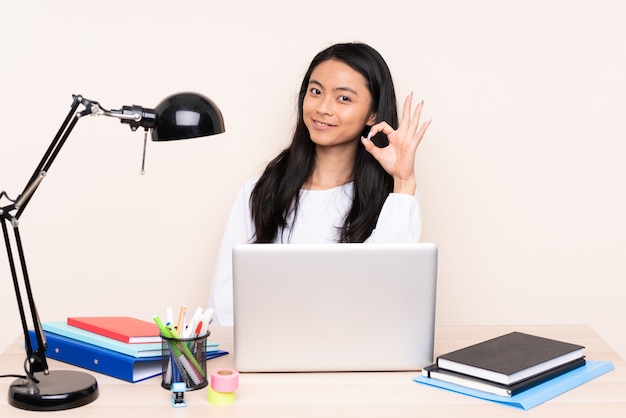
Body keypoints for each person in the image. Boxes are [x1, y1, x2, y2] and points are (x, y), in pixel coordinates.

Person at [208, 42, 431, 325]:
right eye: (316, 92)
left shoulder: (396, 197)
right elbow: (224, 302)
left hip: (355, 354)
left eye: (344, 99)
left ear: (372, 114)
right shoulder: (259, 191)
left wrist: (403, 180)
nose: (323, 108)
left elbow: (390, 290)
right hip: (268, 357)